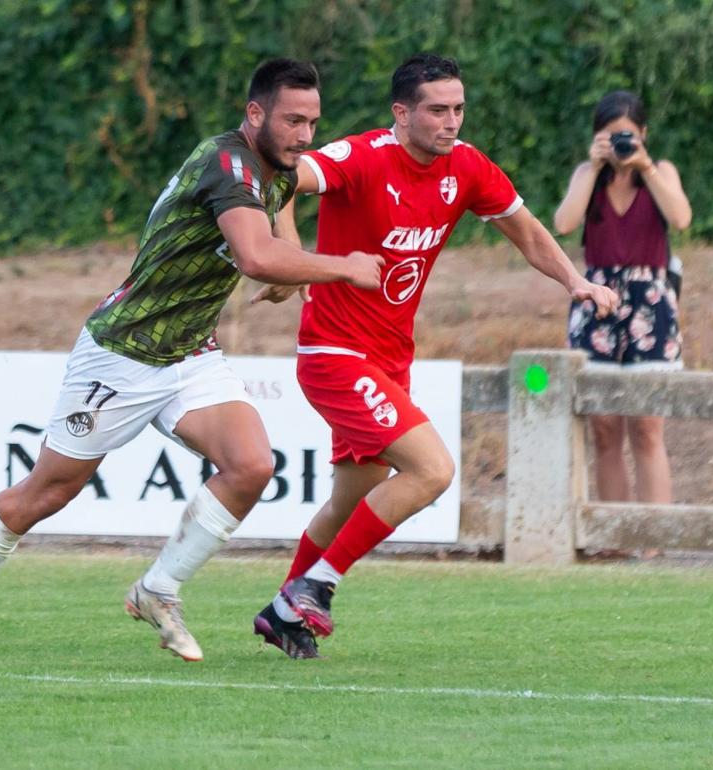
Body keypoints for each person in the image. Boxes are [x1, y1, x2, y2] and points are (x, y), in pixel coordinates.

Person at [0, 58, 384, 664]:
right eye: (292, 120)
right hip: (122, 352)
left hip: (190, 352)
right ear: (254, 113)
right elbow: (256, 255)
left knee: (252, 464)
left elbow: (271, 238)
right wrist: (340, 265)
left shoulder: (275, 169)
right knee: (45, 494)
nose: (305, 136)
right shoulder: (226, 162)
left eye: (313, 123)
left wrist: (290, 263)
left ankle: (159, 589)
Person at [249, 53, 620, 659]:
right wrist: (289, 258)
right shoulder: (362, 156)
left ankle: (282, 612)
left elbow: (525, 229)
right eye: (438, 110)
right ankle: (314, 589)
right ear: (402, 113)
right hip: (334, 351)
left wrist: (575, 282)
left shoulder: (466, 167)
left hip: (390, 359)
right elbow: (281, 177)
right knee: (432, 471)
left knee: (350, 500)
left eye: (459, 109)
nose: (452, 122)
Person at [552, 90, 692, 504]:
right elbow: (564, 223)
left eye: (628, 136)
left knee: (648, 429)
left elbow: (682, 218)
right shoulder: (588, 175)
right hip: (596, 302)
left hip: (651, 305)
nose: (621, 145)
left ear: (644, 134)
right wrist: (594, 167)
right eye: (611, 136)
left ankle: (652, 539)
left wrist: (645, 166)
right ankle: (613, 539)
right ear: (597, 138)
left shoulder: (660, 170)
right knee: (604, 429)